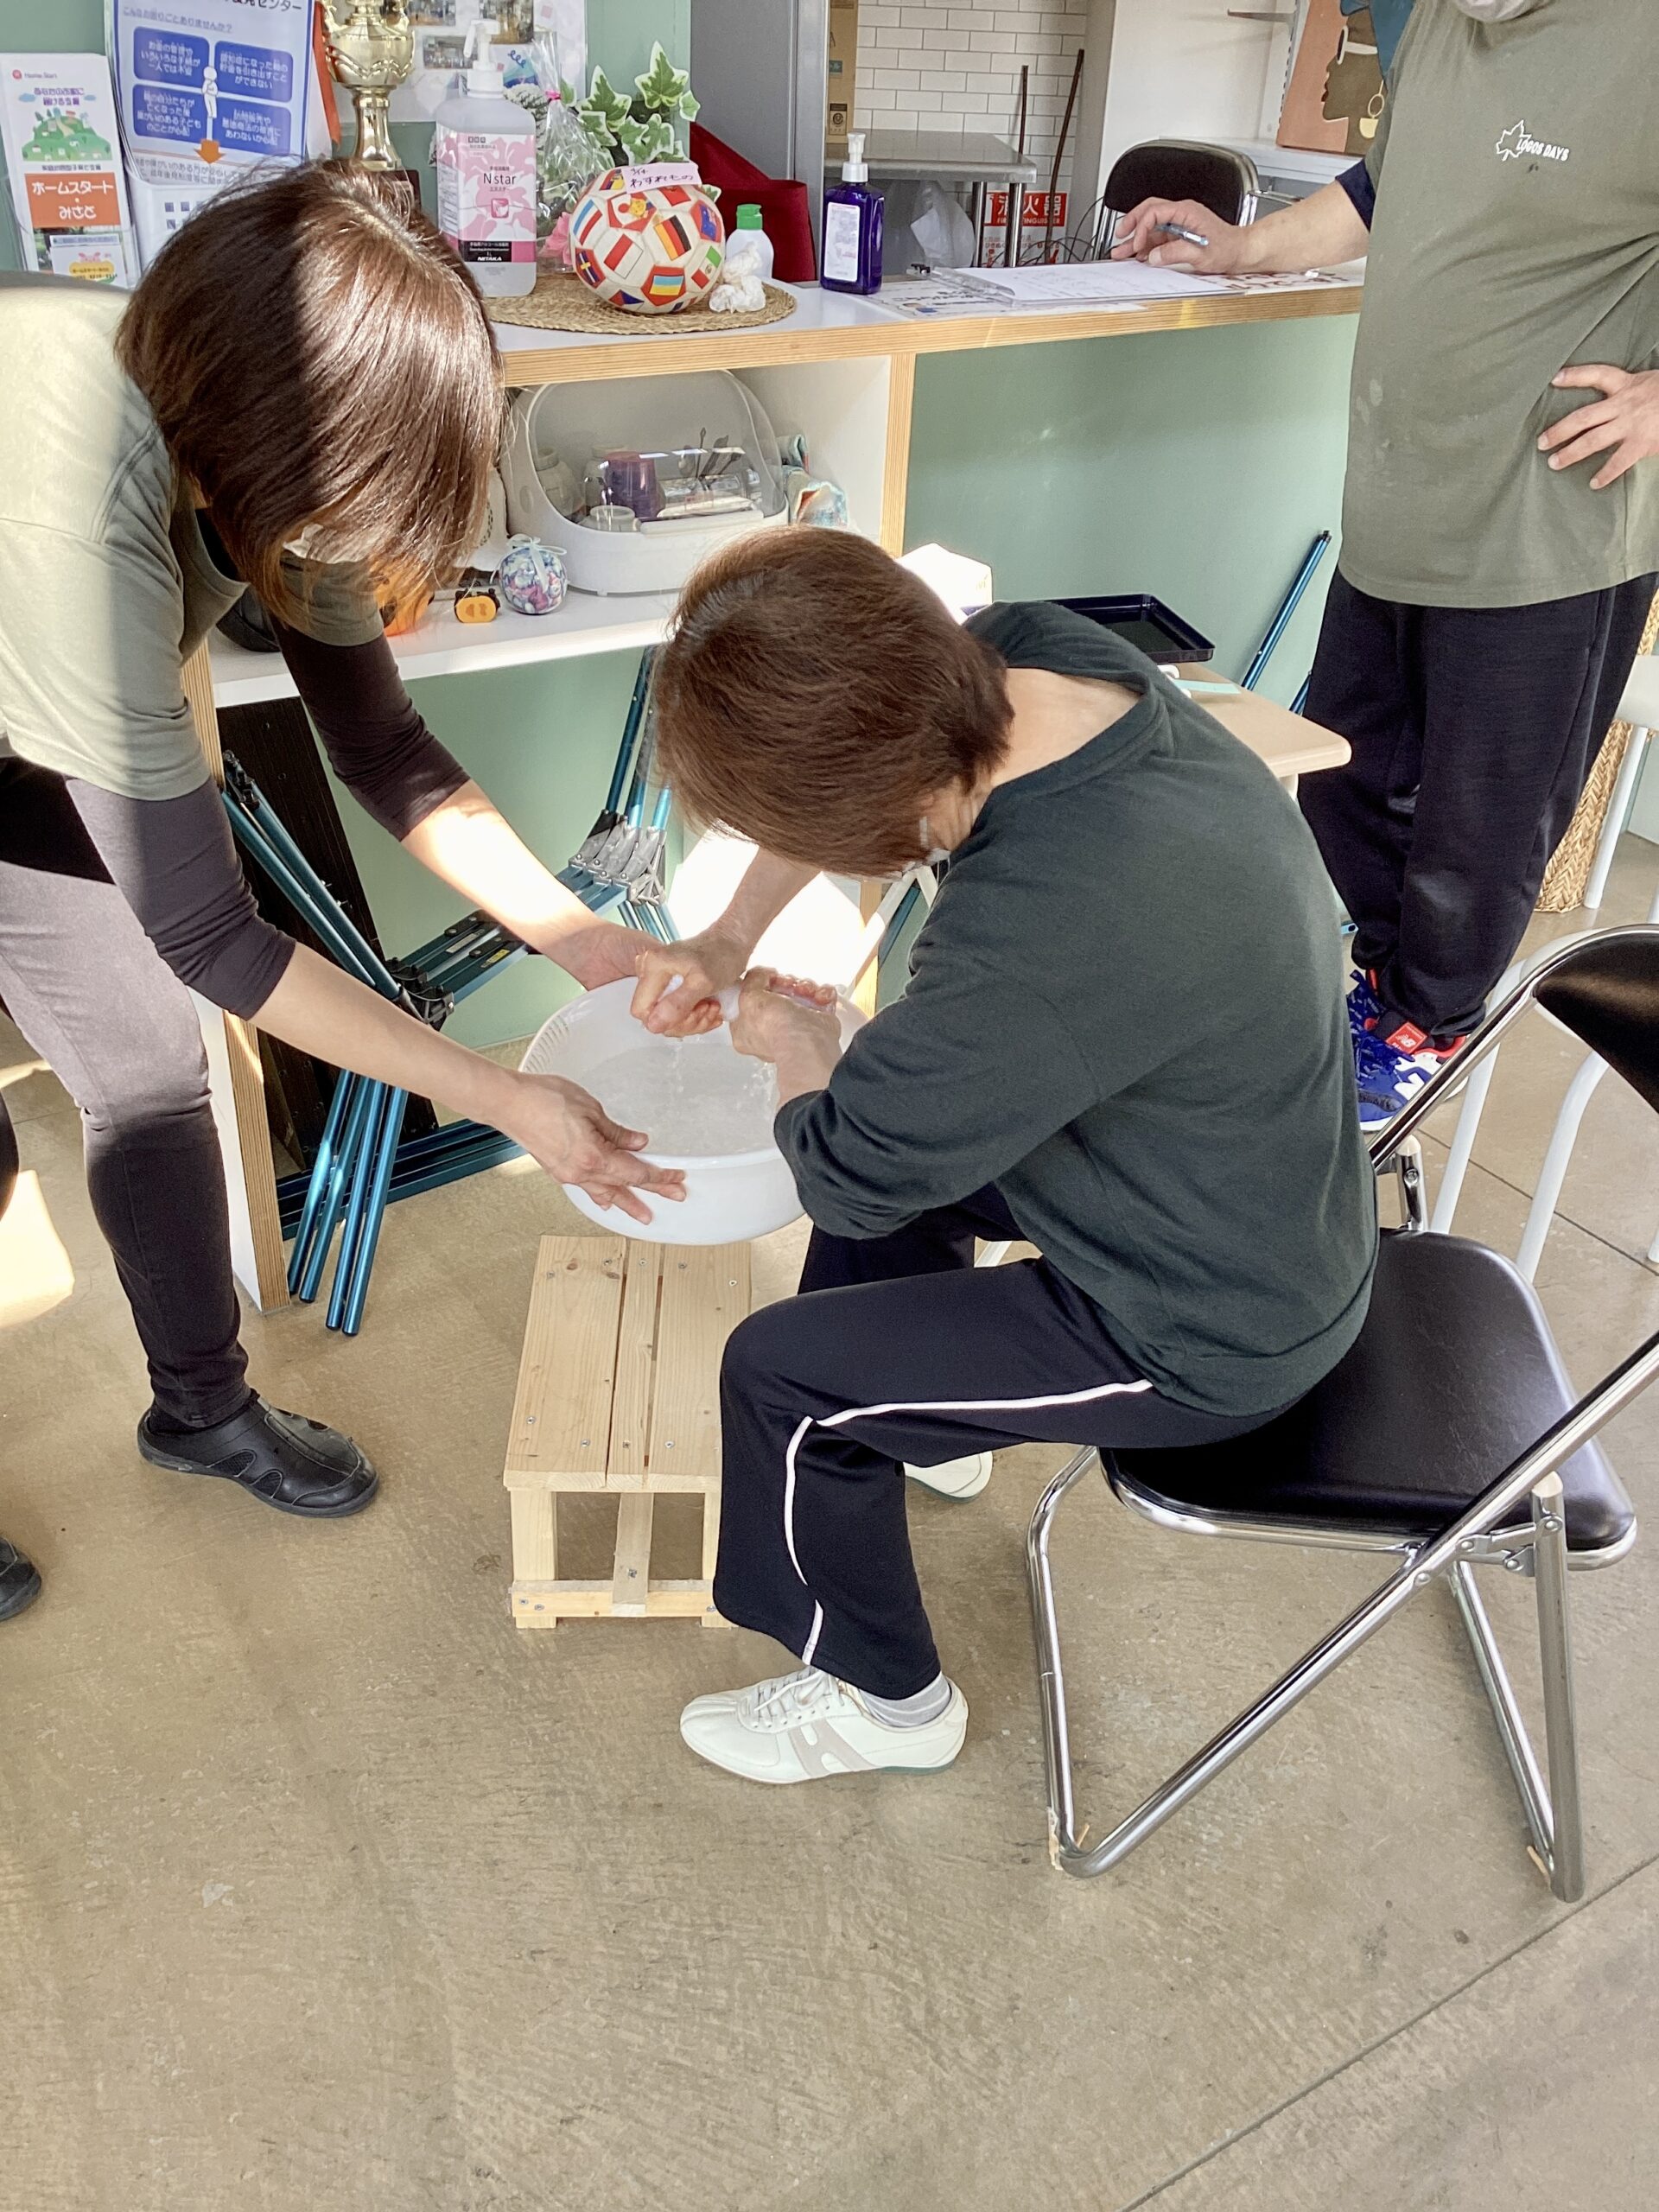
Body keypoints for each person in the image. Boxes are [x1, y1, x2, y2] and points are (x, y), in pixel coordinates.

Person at [0, 162, 755, 1593]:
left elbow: (386, 748)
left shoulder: (298, 451)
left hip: (30, 713)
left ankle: (199, 1410)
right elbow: (216, 940)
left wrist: (584, 941)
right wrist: (505, 1097)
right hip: (27, 619)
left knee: (148, 1072)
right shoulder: (81, 515)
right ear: (264, 453)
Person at [636, 530, 1376, 1788]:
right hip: (1240, 1178)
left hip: (1211, 1324)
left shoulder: (1042, 923)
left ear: (872, 809)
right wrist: (725, 938)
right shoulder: (1035, 660)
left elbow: (846, 1168)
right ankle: (931, 1421)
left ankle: (882, 1698)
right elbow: (870, 758)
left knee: (779, 1379)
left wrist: (797, 1044)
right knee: (896, 1180)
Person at [1113, 0, 1659, 1124]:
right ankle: (1386, 989)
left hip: (1548, 525)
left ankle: (1430, 1023)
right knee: (1342, 770)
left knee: (1480, 823)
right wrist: (1244, 246)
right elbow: (1381, 187)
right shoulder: (1446, 26)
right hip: (1403, 494)